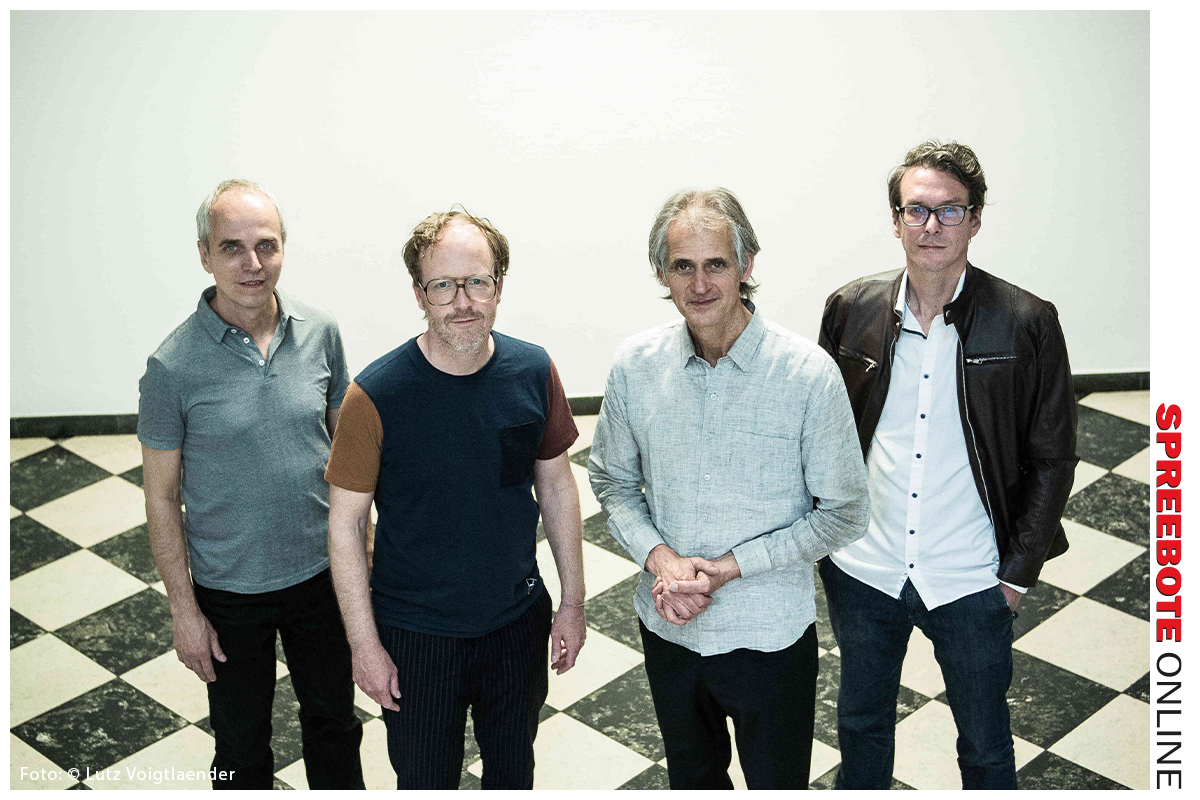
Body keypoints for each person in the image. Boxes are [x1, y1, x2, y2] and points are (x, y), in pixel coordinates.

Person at [588, 188, 870, 789]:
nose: (699, 284)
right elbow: (612, 480)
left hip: (769, 637)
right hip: (669, 626)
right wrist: (661, 560)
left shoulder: (807, 375)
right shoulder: (636, 365)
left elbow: (844, 513)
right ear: (661, 273)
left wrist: (728, 569)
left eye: (715, 264)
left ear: (746, 264)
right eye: (682, 266)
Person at [818, 139, 1078, 789]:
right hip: (865, 569)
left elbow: (1053, 458)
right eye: (916, 210)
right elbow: (819, 438)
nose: (931, 226)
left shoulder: (1027, 322)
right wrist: (826, 547)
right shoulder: (850, 310)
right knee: (861, 732)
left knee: (985, 747)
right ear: (896, 219)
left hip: (971, 577)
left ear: (976, 219)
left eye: (950, 211)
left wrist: (1016, 575)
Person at [324, 207, 587, 790]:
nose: (462, 301)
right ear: (419, 294)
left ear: (499, 286)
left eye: (477, 282)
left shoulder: (533, 370)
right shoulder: (375, 395)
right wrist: (364, 645)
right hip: (414, 635)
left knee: (513, 777)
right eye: (443, 285)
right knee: (426, 782)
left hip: (515, 623)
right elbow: (345, 526)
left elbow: (556, 485)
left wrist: (573, 600)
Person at [138, 179, 364, 789]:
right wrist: (184, 611)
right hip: (229, 591)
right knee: (241, 747)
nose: (252, 263)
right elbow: (161, 496)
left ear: (284, 247)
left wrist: (364, 551)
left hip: (323, 575)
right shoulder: (171, 366)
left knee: (336, 726)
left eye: (266, 245)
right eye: (232, 247)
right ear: (204, 255)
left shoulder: (321, 331)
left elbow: (349, 457)